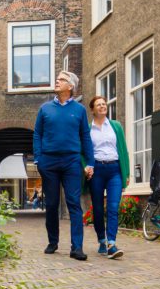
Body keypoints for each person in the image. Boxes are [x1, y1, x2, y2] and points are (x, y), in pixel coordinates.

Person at [33, 70, 94, 261]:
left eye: (62, 79)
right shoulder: (45, 109)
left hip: (71, 162)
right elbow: (37, 134)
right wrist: (38, 159)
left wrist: (90, 162)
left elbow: (85, 136)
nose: (57, 81)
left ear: (71, 86)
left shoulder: (79, 110)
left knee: (74, 203)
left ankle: (77, 247)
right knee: (51, 204)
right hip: (48, 162)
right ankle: (53, 241)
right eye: (57, 79)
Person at [87, 95, 130, 260]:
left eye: (104, 104)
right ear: (93, 110)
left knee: (113, 207)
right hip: (97, 170)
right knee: (98, 209)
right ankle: (102, 240)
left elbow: (123, 150)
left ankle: (112, 244)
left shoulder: (116, 126)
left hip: (114, 170)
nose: (102, 106)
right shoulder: (88, 129)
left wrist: (126, 173)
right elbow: (84, 151)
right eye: (98, 104)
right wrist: (86, 167)